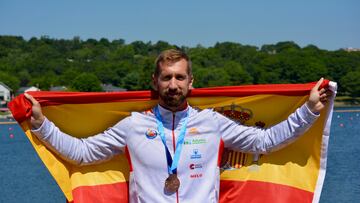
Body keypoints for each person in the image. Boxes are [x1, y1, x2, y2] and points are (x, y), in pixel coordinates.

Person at [25, 49, 331, 203]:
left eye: (180, 77)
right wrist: (41, 125)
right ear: (155, 83)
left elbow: (265, 142)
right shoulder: (133, 125)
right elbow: (82, 153)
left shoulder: (212, 122)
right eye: (167, 77)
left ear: (191, 83)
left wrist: (309, 110)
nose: (173, 84)